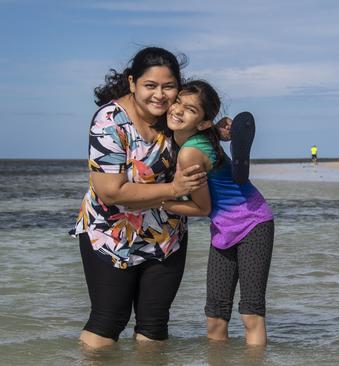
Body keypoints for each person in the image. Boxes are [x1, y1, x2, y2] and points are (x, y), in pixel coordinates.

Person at [70, 47, 207, 349]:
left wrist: (220, 131)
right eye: (150, 86)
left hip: (165, 235)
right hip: (111, 234)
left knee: (155, 325)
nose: (160, 95)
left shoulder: (173, 118)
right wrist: (173, 189)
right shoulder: (109, 120)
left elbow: (200, 123)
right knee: (108, 322)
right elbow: (112, 191)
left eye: (168, 86)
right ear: (132, 83)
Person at [162, 80, 275, 346]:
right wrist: (220, 127)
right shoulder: (191, 136)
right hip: (224, 229)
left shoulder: (190, 152)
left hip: (253, 224)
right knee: (215, 316)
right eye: (177, 101)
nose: (177, 110)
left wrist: (159, 202)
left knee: (251, 313)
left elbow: (203, 208)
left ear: (202, 123)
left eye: (189, 109)